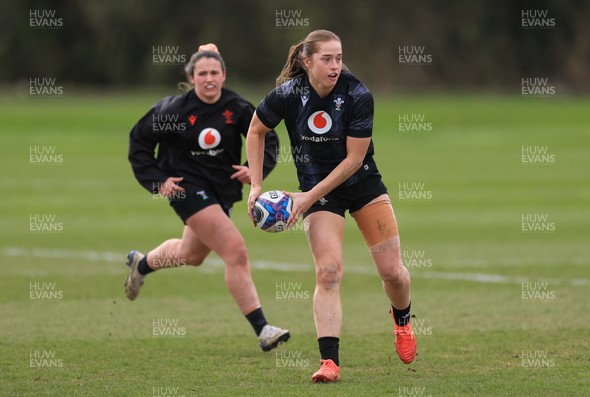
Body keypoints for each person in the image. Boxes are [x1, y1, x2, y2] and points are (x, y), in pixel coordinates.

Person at [246, 30, 416, 382]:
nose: (335, 65)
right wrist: (257, 184)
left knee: (393, 273)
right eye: (327, 59)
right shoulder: (288, 94)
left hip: (362, 185)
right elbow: (256, 131)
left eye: (339, 58)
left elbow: (354, 161)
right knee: (328, 272)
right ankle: (329, 363)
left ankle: (402, 322)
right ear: (307, 62)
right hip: (319, 193)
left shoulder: (357, 95)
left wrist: (306, 197)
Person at [126, 43, 290, 352]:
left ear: (224, 75)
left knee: (192, 255)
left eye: (215, 72)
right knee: (235, 250)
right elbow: (139, 143)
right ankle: (263, 329)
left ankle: (142, 264)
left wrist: (255, 171)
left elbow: (265, 136)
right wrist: (157, 181)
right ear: (191, 78)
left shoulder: (237, 107)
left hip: (221, 191)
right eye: (202, 73)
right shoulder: (173, 111)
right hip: (186, 189)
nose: (209, 78)